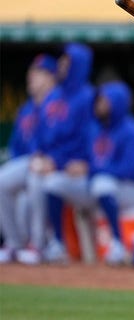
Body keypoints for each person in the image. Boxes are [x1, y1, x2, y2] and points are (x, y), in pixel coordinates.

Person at [45, 81, 134, 264]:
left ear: (117, 103)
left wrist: (91, 169)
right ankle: (58, 245)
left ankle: (118, 245)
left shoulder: (132, 130)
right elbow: (84, 158)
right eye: (99, 101)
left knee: (101, 184)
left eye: (104, 101)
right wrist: (68, 165)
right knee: (53, 183)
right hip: (97, 186)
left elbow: (129, 169)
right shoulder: (94, 128)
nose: (99, 105)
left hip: (132, 189)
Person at [25, 43, 95, 263]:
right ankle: (19, 245)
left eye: (67, 63)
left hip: (77, 170)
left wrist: (59, 162)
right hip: (47, 161)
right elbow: (40, 131)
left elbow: (87, 140)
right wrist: (39, 154)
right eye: (62, 62)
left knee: (46, 183)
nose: (62, 67)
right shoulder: (54, 96)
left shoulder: (88, 97)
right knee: (11, 186)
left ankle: (50, 244)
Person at [0, 54, 61, 264]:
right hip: (27, 164)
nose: (31, 77)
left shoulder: (59, 104)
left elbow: (65, 140)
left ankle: (38, 246)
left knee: (35, 180)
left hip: (52, 165)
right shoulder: (26, 109)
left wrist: (51, 160)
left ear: (51, 77)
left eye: (38, 73)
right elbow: (16, 147)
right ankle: (14, 243)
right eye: (31, 72)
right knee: (2, 181)